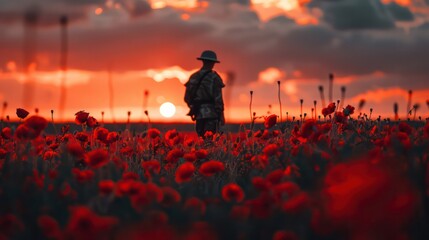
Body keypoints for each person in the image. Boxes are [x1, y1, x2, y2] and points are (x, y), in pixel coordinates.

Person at [184, 50, 225, 137]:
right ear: (213, 63)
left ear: (203, 61)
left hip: (198, 115)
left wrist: (194, 107)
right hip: (212, 115)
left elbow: (187, 98)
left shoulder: (193, 77)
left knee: (201, 141)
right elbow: (218, 99)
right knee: (209, 143)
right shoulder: (214, 77)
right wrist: (221, 115)